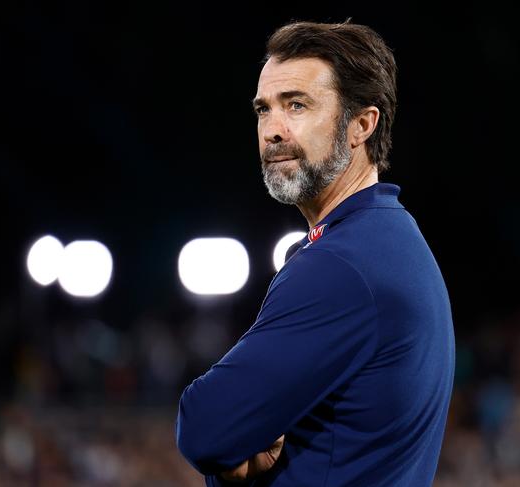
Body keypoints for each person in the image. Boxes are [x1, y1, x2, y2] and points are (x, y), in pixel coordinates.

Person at [175, 19, 455, 487]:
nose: (273, 130)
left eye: (297, 105)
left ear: (362, 125)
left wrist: (239, 455)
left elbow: (204, 428)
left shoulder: (342, 265)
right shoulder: (389, 240)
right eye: (264, 110)